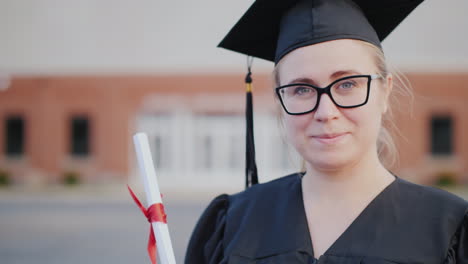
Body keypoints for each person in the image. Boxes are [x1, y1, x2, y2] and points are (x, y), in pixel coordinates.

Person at [185, 0, 468, 263]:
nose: (325, 112)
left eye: (347, 84)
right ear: (280, 101)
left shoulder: (448, 227)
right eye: (302, 89)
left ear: (384, 91)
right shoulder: (231, 224)